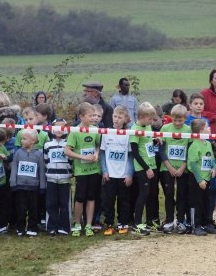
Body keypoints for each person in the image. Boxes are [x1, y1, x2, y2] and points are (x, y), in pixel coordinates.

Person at [65, 102, 101, 238]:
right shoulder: (75, 131)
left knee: (91, 197)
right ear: (81, 116)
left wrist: (96, 154)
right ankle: (77, 224)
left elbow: (98, 145)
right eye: (90, 116)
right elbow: (67, 151)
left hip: (94, 169)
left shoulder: (95, 129)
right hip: (81, 171)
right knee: (80, 198)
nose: (93, 118)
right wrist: (82, 157)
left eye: (94, 115)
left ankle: (88, 225)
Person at [100, 106, 134, 236]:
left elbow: (130, 156)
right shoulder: (107, 132)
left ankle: (123, 223)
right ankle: (109, 224)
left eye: (120, 117)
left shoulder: (128, 134)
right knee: (108, 201)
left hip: (123, 174)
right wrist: (104, 170)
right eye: (115, 116)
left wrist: (129, 174)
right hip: (110, 174)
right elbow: (102, 153)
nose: (116, 119)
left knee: (123, 201)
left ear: (125, 119)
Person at [159, 104, 191, 234]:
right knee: (168, 194)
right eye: (175, 120)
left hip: (183, 168)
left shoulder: (188, 130)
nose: (177, 123)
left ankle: (181, 221)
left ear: (185, 119)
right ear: (171, 117)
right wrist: (169, 166)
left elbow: (190, 150)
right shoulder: (165, 128)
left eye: (180, 120)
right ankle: (169, 221)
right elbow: (161, 149)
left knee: (182, 194)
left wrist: (183, 166)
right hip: (167, 168)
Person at [129, 102, 159, 236]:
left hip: (153, 164)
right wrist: (146, 168)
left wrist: (156, 140)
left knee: (152, 194)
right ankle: (137, 223)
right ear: (141, 116)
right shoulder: (134, 129)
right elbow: (135, 152)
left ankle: (149, 221)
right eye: (149, 118)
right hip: (143, 168)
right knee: (143, 194)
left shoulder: (148, 126)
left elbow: (148, 142)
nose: (151, 121)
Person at [10, 129, 46, 237]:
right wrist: (13, 182)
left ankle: (32, 227)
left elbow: (41, 170)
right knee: (21, 209)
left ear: (33, 141)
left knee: (33, 209)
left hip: (34, 187)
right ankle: (20, 228)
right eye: (21, 138)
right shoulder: (18, 153)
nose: (21, 141)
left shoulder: (39, 154)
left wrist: (42, 186)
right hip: (20, 186)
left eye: (24, 139)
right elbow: (14, 167)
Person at [187, 119, 216, 236]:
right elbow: (193, 164)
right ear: (201, 131)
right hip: (196, 179)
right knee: (196, 203)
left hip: (207, 178)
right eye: (207, 127)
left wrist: (214, 168)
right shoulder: (194, 145)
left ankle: (205, 223)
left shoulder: (208, 143)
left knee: (206, 202)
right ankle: (196, 225)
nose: (209, 128)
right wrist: (199, 180)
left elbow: (211, 159)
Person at [44, 118, 72, 236]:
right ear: (52, 129)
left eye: (62, 127)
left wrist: (69, 171)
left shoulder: (68, 144)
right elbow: (46, 160)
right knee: (51, 204)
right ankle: (52, 226)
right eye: (56, 127)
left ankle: (64, 226)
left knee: (64, 204)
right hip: (51, 179)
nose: (59, 130)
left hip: (65, 178)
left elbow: (71, 160)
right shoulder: (47, 145)